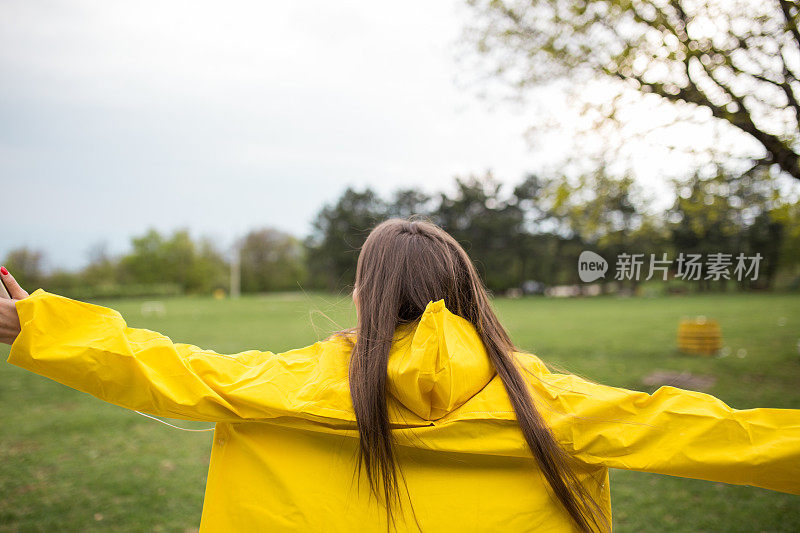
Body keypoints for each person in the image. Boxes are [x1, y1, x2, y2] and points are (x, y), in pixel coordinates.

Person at [1, 218, 798, 533]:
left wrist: (35, 321)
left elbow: (156, 364)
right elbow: (725, 434)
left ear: (364, 293)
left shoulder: (292, 383)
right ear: (469, 292)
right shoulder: (551, 400)